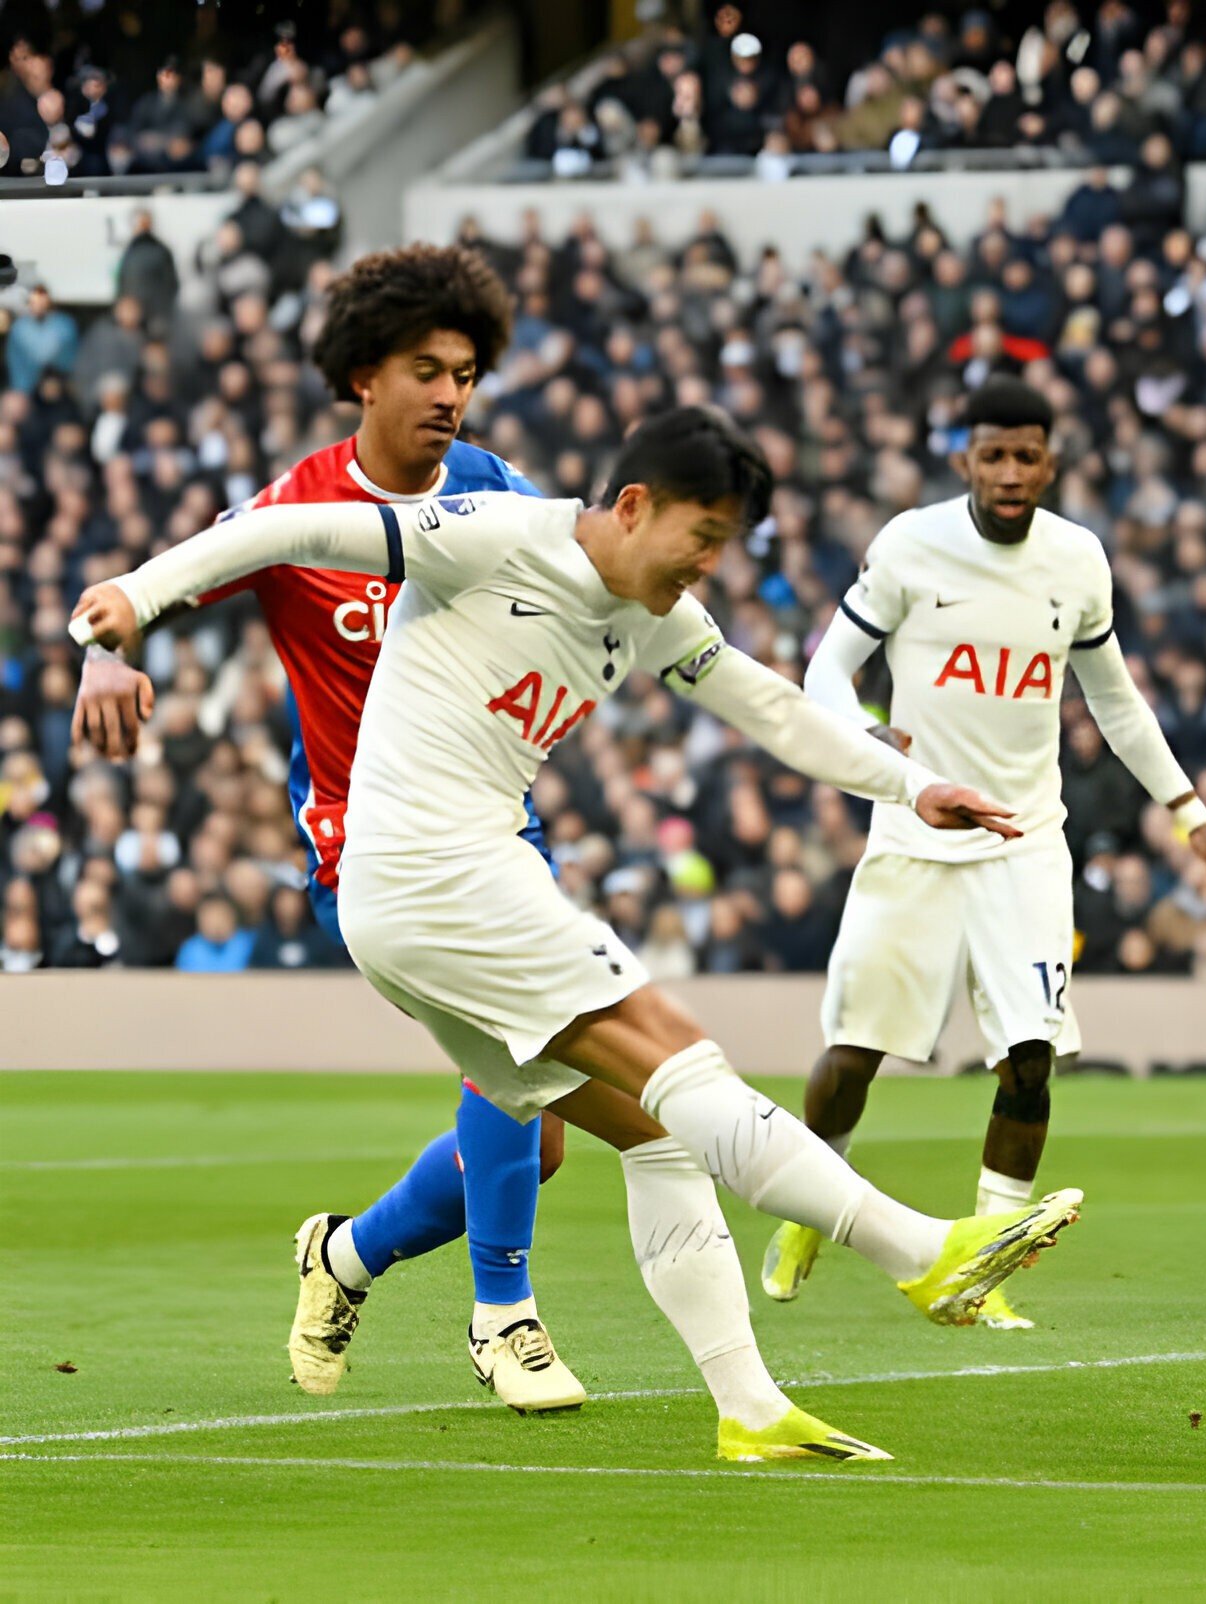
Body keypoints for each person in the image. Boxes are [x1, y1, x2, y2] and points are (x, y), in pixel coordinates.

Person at [71, 407, 1078, 1464]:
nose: (705, 565)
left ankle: (749, 1408)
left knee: (656, 1131)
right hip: (436, 869)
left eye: (724, 546)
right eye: (700, 535)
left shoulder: (652, 614)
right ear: (634, 504)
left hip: (421, 896)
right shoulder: (498, 534)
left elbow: (774, 710)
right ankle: (920, 1251)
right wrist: (133, 600)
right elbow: (291, 532)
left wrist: (918, 788)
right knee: (681, 1056)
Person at [74, 245, 607, 1413]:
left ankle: (345, 1254)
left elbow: (597, 585)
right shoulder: (296, 508)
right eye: (428, 369)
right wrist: (106, 652)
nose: (451, 395)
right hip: (369, 846)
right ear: (364, 374)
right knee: (517, 1063)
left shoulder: (493, 484)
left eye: (466, 372)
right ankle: (504, 1317)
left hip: (495, 826)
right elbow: (155, 582)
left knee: (539, 1133)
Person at [762, 376, 1206, 1329]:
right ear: (965, 459)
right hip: (914, 835)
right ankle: (809, 1208)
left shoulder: (1078, 560)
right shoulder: (909, 545)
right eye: (995, 455)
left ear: (1050, 461)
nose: (1011, 472)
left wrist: (1190, 810)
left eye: (1028, 456)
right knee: (855, 1056)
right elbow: (824, 666)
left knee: (1029, 1059)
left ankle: (985, 1266)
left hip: (1027, 845)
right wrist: (865, 738)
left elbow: (1115, 702)